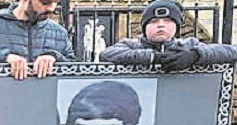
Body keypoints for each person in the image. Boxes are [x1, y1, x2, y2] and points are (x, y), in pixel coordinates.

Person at [0, 0, 76, 82]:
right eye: (45, 2)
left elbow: (76, 72)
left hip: (43, 115)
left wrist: (55, 58)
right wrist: (2, 57)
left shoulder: (59, 32)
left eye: (56, 2)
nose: (52, 8)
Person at [100, 0, 237, 68]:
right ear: (144, 27)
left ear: (177, 27)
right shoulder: (131, 45)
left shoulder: (189, 45)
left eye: (167, 21)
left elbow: (232, 52)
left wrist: (195, 55)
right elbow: (107, 54)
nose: (160, 25)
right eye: (153, 21)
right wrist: (153, 57)